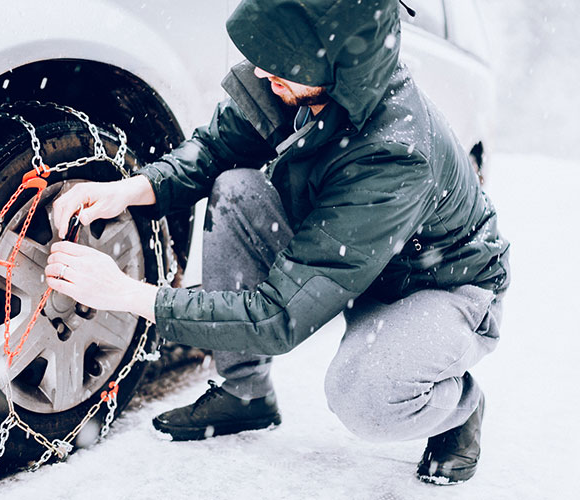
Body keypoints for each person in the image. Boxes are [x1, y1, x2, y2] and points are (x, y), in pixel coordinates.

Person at [46, 0, 509, 485]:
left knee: (364, 396)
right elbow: (218, 146)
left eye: (281, 60)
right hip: (362, 261)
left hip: (440, 286)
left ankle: (460, 406)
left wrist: (125, 295)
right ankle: (246, 392)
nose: (263, 70)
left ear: (336, 61)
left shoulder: (395, 154)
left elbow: (277, 315)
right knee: (236, 189)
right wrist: (132, 188)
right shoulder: (301, 81)